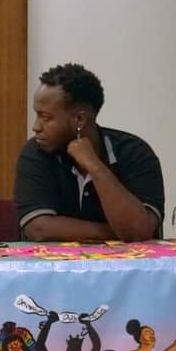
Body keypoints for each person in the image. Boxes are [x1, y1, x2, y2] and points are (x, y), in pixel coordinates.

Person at [14, 63, 163, 242]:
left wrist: (94, 166)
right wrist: (118, 234)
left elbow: (139, 231)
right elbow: (38, 229)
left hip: (129, 261)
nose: (36, 127)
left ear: (79, 119)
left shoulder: (135, 153)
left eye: (45, 117)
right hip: (54, 261)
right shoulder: (35, 153)